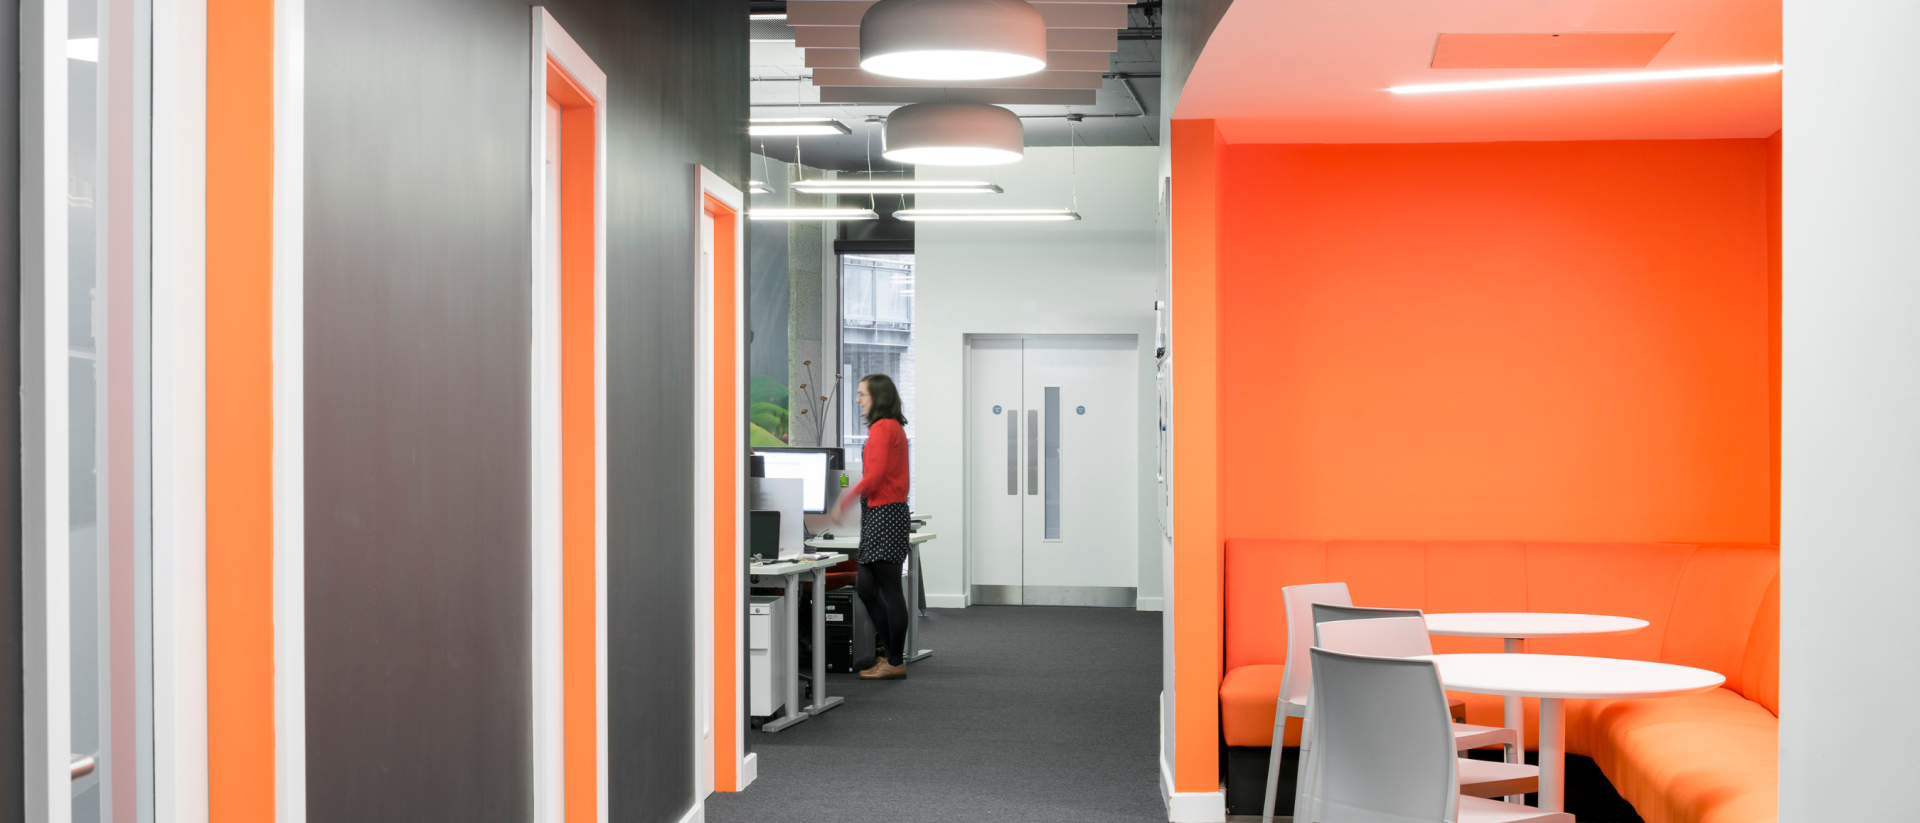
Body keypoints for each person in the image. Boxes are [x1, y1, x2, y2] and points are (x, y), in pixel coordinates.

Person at [836, 373, 912, 680]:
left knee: (891, 590)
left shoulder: (883, 428)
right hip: (880, 513)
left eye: (862, 394)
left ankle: (895, 661)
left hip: (885, 514)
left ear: (877, 398)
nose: (858, 400)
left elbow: (876, 475)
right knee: (866, 588)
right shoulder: (889, 428)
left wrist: (843, 502)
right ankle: (891, 656)